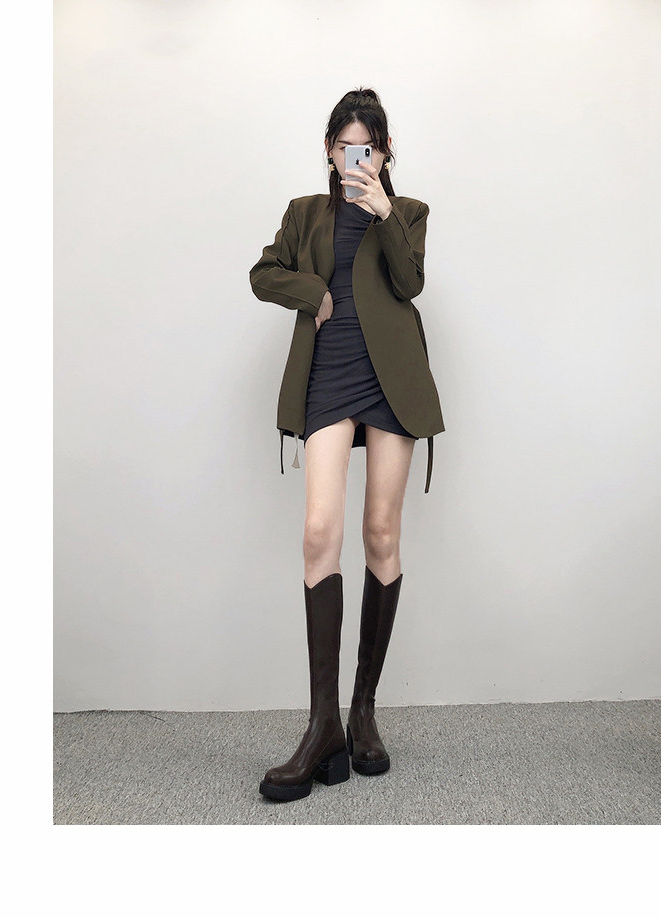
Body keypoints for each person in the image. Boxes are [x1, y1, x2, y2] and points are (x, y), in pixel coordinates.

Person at [250, 88, 445, 802]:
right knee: (318, 533)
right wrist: (313, 294)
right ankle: (322, 726)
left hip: (391, 379)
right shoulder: (305, 213)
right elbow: (262, 273)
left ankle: (363, 713)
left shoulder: (409, 212)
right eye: (344, 147)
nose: (354, 159)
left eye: (367, 148)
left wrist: (384, 212)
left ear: (384, 154)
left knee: (381, 534)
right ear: (329, 151)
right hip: (330, 375)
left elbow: (410, 282)